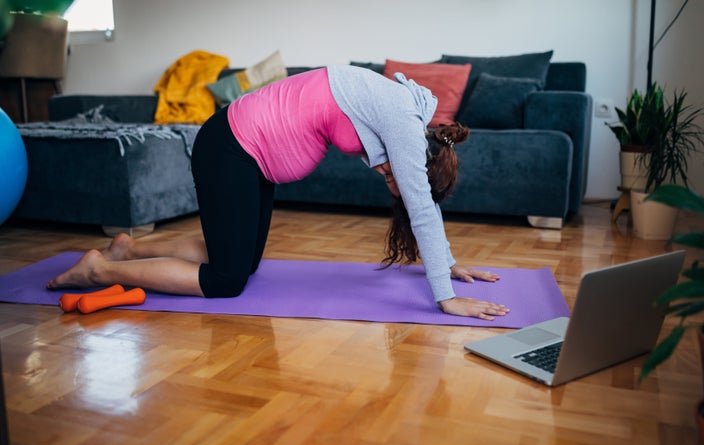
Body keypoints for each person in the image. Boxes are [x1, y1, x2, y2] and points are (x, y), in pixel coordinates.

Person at [48, 65, 510, 321]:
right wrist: (444, 294)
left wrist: (447, 260)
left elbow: (419, 200)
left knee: (242, 261)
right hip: (230, 148)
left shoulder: (396, 110)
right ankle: (99, 269)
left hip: (250, 157)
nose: (393, 183)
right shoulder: (403, 121)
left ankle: (129, 249)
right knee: (227, 281)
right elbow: (423, 208)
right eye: (397, 179)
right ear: (417, 158)